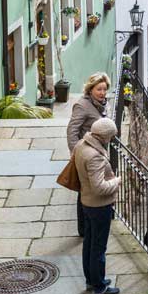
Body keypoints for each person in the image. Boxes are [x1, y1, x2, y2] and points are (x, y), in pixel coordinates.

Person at [74, 118, 121, 294]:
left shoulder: (81, 145)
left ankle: (91, 280)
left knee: (89, 244)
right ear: (104, 136)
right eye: (111, 137)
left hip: (86, 202)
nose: (111, 140)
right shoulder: (94, 155)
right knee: (98, 248)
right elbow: (99, 187)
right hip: (98, 206)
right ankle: (100, 287)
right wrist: (117, 181)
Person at [67, 72, 110, 238]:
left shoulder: (101, 103)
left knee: (90, 189)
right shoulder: (82, 105)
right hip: (86, 154)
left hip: (97, 153)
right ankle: (83, 228)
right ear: (90, 89)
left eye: (104, 89)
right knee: (84, 191)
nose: (102, 93)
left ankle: (89, 225)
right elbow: (72, 131)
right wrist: (76, 153)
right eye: (99, 89)